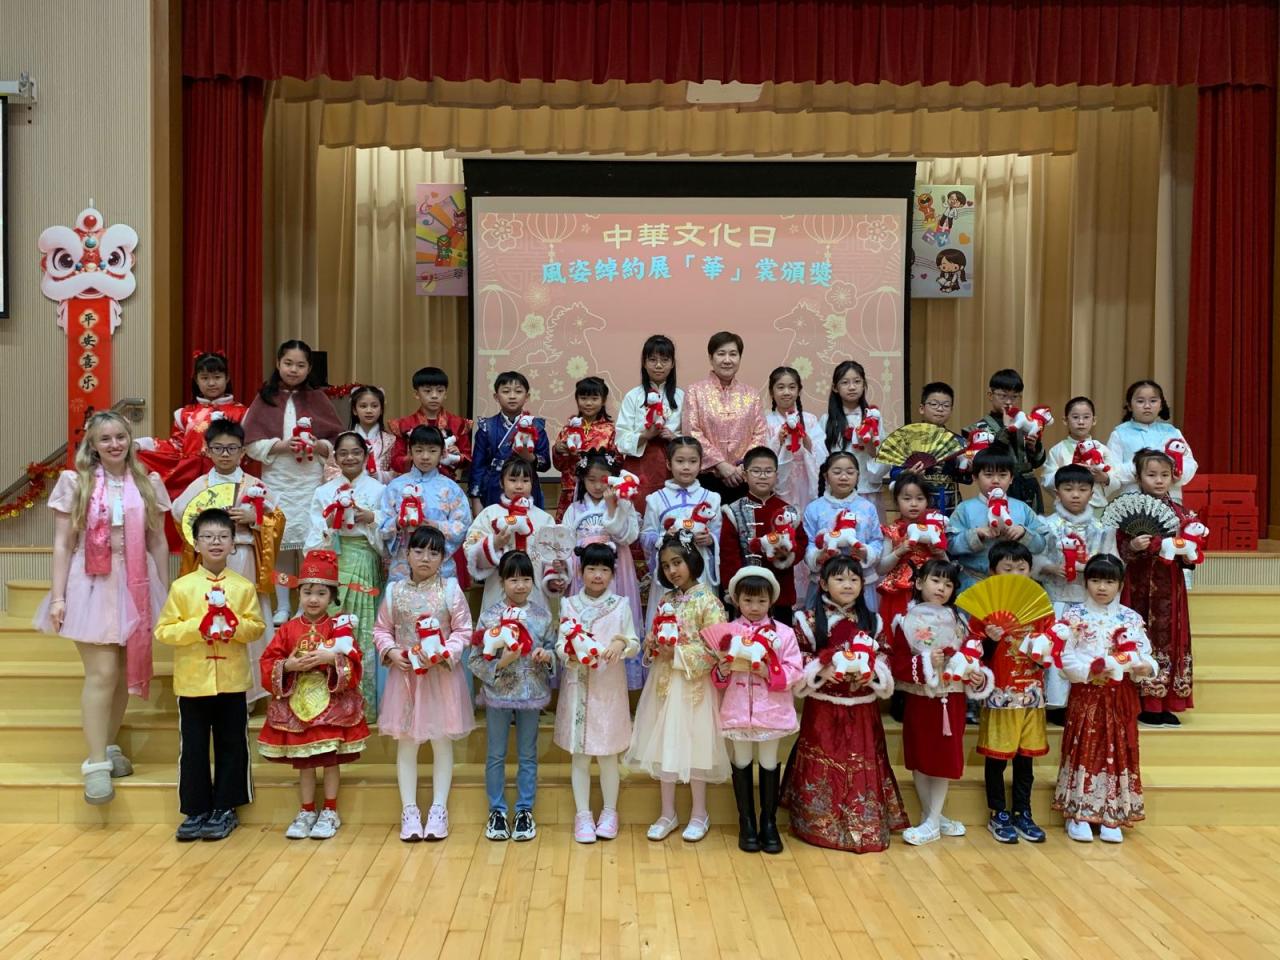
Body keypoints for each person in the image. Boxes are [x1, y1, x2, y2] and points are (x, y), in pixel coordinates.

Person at [34, 411, 170, 805]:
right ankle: (95, 765)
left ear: (130, 440)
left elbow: (158, 541)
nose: (114, 444)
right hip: (92, 581)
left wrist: (164, 590)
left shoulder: (147, 482)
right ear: (92, 445)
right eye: (105, 438)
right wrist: (58, 596)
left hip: (136, 580)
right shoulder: (75, 482)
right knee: (102, 673)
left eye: (120, 437)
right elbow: (63, 543)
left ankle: (107, 745)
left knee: (125, 673)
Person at [783, 556, 907, 853]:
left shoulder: (873, 621)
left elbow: (886, 655)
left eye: (854, 579)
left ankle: (863, 826)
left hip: (862, 707)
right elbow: (796, 655)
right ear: (824, 584)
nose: (848, 585)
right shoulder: (807, 620)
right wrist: (821, 668)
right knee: (824, 763)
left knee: (861, 764)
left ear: (863, 584)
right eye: (839, 579)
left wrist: (872, 673)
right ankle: (817, 825)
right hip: (823, 708)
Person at [155, 508, 266, 841]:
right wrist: (197, 627)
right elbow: (164, 631)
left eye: (222, 536)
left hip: (232, 680)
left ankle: (226, 807)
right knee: (193, 747)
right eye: (208, 536)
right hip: (193, 682)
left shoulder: (242, 587)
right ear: (196, 543)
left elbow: (257, 627)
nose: (215, 542)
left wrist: (234, 626)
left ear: (233, 543)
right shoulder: (182, 587)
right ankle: (195, 808)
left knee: (233, 744)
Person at [258, 549, 370, 840]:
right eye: (307, 592)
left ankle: (330, 810)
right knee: (305, 763)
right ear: (298, 593)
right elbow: (269, 660)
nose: (313, 599)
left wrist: (332, 659)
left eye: (321, 593)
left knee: (330, 760)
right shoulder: (288, 629)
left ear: (332, 597)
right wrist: (288, 666)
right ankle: (307, 810)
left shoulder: (338, 627)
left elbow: (355, 658)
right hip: (298, 705)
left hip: (331, 705)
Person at [373, 525, 475, 842]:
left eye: (433, 552)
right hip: (406, 679)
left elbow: (464, 630)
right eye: (419, 551)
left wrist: (445, 652)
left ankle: (439, 810)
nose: (425, 558)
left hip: (441, 677)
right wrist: (391, 651)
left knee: (442, 742)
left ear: (443, 558)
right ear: (407, 554)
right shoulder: (395, 592)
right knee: (407, 744)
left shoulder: (451, 590)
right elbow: (381, 630)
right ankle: (409, 811)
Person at [625, 533, 730, 842]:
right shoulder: (666, 601)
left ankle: (699, 813)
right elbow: (656, 638)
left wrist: (678, 653)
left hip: (694, 686)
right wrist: (652, 645)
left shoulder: (708, 601)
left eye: (677, 563)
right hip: (665, 683)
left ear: (691, 561)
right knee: (665, 746)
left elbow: (716, 649)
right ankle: (667, 812)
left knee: (696, 746)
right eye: (666, 565)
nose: (672, 571)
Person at [171, 418, 284, 704]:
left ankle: (249, 693)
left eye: (232, 448)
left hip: (244, 557)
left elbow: (278, 519)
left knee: (245, 615)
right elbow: (179, 514)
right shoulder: (200, 485)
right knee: (211, 612)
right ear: (207, 450)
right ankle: (210, 685)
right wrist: (204, 520)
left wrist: (254, 518)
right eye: (218, 448)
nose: (225, 454)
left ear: (242, 451)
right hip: (208, 563)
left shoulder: (254, 485)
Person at [888, 559, 993, 846]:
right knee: (920, 758)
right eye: (935, 581)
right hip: (920, 698)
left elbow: (973, 658)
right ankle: (930, 815)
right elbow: (897, 664)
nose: (941, 588)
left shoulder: (960, 621)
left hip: (951, 699)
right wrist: (925, 661)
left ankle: (933, 820)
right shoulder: (903, 620)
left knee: (943, 758)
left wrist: (975, 674)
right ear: (919, 582)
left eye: (948, 584)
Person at [1054, 554, 1156, 843]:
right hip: (1087, 692)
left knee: (1119, 749)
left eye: (1109, 582)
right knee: (1084, 747)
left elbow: (1145, 654)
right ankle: (1079, 813)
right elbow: (1064, 656)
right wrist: (1088, 672)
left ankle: (1113, 813)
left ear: (1120, 585)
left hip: (1120, 695)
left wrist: (1145, 667)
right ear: (1086, 582)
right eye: (1096, 580)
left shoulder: (1131, 618)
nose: (1102, 587)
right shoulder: (1073, 616)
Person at [701, 567, 802, 854]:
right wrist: (722, 670)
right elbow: (717, 678)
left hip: (772, 710)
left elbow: (796, 670)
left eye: (761, 601)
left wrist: (769, 672)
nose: (755, 607)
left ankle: (768, 823)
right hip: (736, 709)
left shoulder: (784, 633)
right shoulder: (727, 632)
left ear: (771, 600)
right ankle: (746, 822)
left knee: (769, 762)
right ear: (736, 600)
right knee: (742, 760)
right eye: (748, 600)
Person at [242, 339, 344, 624]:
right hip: (277, 478)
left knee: (309, 543)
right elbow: (250, 443)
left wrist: (318, 445)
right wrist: (282, 446)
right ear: (278, 363)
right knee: (281, 543)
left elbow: (336, 441)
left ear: (309, 368)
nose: (293, 370)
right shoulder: (264, 398)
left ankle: (305, 604)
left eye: (300, 365)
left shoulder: (318, 398)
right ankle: (283, 605)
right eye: (288, 363)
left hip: (310, 480)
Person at [555, 543, 641, 844]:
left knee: (608, 756)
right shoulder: (569, 605)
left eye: (604, 569)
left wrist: (621, 644)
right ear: (581, 571)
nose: (597, 575)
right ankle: (582, 814)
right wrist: (570, 654)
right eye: (592, 568)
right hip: (578, 687)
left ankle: (609, 812)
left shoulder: (621, 605)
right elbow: (560, 644)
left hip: (609, 689)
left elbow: (634, 642)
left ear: (612, 573)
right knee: (580, 757)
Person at [467, 551, 555, 843]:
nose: (520, 585)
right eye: (514, 579)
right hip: (498, 695)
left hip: (532, 693)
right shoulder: (490, 616)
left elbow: (554, 649)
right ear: (502, 581)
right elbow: (475, 659)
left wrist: (547, 656)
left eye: (526, 579)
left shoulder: (542, 616)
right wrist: (501, 663)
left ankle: (525, 810)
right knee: (496, 754)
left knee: (528, 754)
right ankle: (497, 810)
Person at [307, 431, 388, 720]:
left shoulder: (379, 490)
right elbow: (313, 538)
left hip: (365, 561)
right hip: (333, 563)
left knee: (362, 630)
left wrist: (371, 519)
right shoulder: (323, 492)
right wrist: (329, 526)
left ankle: (363, 705)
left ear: (366, 456)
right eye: (343, 453)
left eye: (356, 452)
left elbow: (389, 534)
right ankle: (329, 703)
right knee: (331, 630)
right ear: (335, 457)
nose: (350, 458)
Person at [973, 541, 1050, 844]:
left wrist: (1041, 647)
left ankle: (1023, 811)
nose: (1016, 574)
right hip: (999, 693)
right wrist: (990, 639)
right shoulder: (985, 607)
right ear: (993, 572)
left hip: (1032, 693)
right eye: (1008, 568)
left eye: (1022, 568)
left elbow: (1052, 647)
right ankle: (998, 812)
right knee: (997, 756)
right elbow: (973, 654)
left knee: (1025, 758)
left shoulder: (1040, 604)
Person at [1113, 448, 1197, 727]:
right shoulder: (1129, 509)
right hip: (1137, 584)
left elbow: (1191, 551)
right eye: (1151, 475)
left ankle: (1165, 702)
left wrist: (1188, 554)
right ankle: (1139, 701)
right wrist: (1132, 546)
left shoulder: (1181, 513)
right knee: (1138, 635)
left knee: (1170, 638)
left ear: (1173, 477)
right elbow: (1119, 549)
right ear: (1138, 477)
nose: (1159, 480)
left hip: (1170, 585)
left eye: (1164, 475)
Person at [136, 350, 249, 550]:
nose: (211, 383)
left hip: (228, 476)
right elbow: (175, 445)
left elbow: (247, 448)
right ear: (196, 380)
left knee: (225, 525)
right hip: (192, 478)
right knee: (194, 523)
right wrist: (141, 445)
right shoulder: (185, 414)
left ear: (227, 378)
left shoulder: (242, 413)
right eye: (205, 378)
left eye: (217, 377)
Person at [1034, 464, 1115, 724]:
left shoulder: (1102, 528)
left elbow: (1112, 564)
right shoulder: (1045, 525)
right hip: (1055, 598)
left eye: (1082, 489)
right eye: (1068, 489)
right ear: (1057, 492)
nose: (1076, 495)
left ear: (1092, 492)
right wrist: (1049, 567)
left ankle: (1082, 700)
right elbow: (1033, 558)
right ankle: (1055, 703)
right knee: (1056, 648)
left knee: (1084, 648)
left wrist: (1092, 569)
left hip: (1087, 600)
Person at [560, 453, 645, 688]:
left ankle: (615, 667)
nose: (598, 486)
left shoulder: (624, 503)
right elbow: (566, 546)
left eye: (603, 480)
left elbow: (628, 537)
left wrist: (613, 506)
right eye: (591, 480)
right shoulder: (573, 510)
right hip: (584, 571)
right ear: (582, 480)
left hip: (616, 568)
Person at [465, 457, 566, 614]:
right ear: (501, 482)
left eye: (525, 480)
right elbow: (470, 550)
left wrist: (554, 577)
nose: (519, 486)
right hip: (498, 590)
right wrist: (494, 544)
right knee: (498, 628)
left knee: (535, 626)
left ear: (532, 483)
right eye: (512, 480)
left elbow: (551, 558)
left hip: (535, 592)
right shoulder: (489, 514)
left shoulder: (544, 519)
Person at [719, 446, 807, 625]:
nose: (762, 476)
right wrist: (733, 589)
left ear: (776, 475)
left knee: (781, 637)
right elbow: (728, 555)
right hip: (747, 593)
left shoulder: (789, 511)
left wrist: (786, 556)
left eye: (768, 471)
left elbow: (801, 543)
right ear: (745, 475)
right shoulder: (733, 510)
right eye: (756, 471)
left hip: (781, 590)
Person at [639, 437, 722, 628]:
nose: (686, 467)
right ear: (669, 464)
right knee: (667, 621)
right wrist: (664, 538)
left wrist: (710, 540)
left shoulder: (712, 498)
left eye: (692, 461)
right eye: (680, 461)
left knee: (701, 620)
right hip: (670, 570)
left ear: (701, 464)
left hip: (700, 570)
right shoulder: (655, 499)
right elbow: (646, 535)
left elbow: (718, 534)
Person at [946, 445, 1049, 590]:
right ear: (975, 477)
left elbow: (1040, 545)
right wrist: (977, 534)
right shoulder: (965, 508)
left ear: (1011, 478)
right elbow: (950, 545)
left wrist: (1023, 533)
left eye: (1002, 475)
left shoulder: (1022, 508)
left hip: (1015, 584)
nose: (995, 480)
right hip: (974, 582)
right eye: (988, 475)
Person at [681, 331, 768, 504]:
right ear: (711, 358)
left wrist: (741, 467)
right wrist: (720, 464)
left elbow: (760, 434)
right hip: (706, 479)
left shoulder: (752, 395)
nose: (727, 360)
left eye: (733, 354)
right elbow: (692, 433)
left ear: (740, 358)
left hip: (743, 479)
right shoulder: (695, 392)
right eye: (721, 354)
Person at [381, 425, 470, 584]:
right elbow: (382, 524)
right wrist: (397, 523)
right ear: (410, 452)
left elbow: (463, 525)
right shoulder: (395, 487)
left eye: (432, 451)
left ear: (442, 453)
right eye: (419, 450)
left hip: (440, 565)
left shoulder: (451, 489)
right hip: (403, 565)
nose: (425, 456)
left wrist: (436, 526)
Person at [802, 452, 884, 609]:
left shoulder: (868, 507)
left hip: (860, 579)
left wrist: (866, 552)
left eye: (850, 472)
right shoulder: (814, 508)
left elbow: (877, 540)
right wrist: (818, 555)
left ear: (858, 476)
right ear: (826, 476)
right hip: (825, 580)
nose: (844, 477)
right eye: (837, 472)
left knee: (860, 623)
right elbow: (809, 542)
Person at [615, 334, 683, 514]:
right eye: (652, 360)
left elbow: (692, 438)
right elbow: (620, 439)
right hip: (638, 467)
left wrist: (674, 437)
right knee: (638, 513)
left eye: (664, 360)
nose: (658, 365)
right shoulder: (633, 396)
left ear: (672, 364)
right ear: (644, 363)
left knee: (671, 514)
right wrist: (645, 435)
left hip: (673, 466)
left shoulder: (682, 397)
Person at [876, 473, 949, 639]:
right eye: (907, 499)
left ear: (927, 501)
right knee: (900, 636)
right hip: (899, 593)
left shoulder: (935, 530)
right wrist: (899, 551)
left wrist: (940, 552)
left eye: (920, 498)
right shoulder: (892, 531)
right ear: (896, 501)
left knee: (929, 637)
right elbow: (881, 568)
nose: (914, 504)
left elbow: (948, 567)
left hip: (930, 591)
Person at [965, 368, 1046, 513]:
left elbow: (1037, 462)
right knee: (1000, 519)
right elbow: (984, 460)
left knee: (1031, 523)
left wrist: (1034, 447)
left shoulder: (1025, 422)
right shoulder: (978, 428)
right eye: (1003, 396)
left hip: (1027, 484)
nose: (1009, 402)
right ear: (990, 395)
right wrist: (1007, 430)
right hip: (998, 485)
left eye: (1014, 397)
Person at [470, 371, 551, 513]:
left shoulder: (536, 426)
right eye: (506, 391)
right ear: (496, 397)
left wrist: (529, 456)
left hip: (526, 485)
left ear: (527, 397)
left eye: (518, 391)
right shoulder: (487, 427)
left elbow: (545, 464)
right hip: (494, 487)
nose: (512, 396)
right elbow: (478, 467)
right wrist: (476, 500)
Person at [1106, 380, 1199, 502]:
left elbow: (1190, 462)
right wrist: (1142, 467)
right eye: (1140, 401)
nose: (1147, 406)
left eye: (1153, 401)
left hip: (1170, 497)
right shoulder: (1119, 433)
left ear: (1161, 405)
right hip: (1133, 498)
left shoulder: (1172, 432)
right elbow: (1111, 469)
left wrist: (1176, 473)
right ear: (1129, 406)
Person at [818, 360, 889, 517]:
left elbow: (883, 458)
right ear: (835, 387)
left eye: (857, 381)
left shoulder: (873, 419)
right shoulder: (827, 420)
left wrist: (869, 445)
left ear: (864, 385)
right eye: (845, 382)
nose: (852, 387)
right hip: (836, 492)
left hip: (865, 489)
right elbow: (821, 458)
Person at [890, 381, 968, 515]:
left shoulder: (958, 441)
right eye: (934, 404)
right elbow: (894, 472)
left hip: (949, 503)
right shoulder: (906, 439)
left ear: (951, 410)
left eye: (946, 405)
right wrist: (908, 473)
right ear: (922, 408)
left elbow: (967, 479)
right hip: (917, 502)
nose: (940, 409)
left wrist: (967, 466)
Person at [389, 365, 472, 481]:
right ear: (416, 394)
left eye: (440, 391)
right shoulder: (404, 425)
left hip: (445, 483)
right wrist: (413, 455)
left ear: (446, 394)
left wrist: (457, 456)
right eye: (427, 391)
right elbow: (395, 462)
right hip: (413, 483)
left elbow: (468, 459)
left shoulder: (458, 424)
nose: (434, 396)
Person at [1040, 396, 1121, 513]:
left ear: (1094, 420)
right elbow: (1046, 481)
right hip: (1066, 509)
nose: (1081, 422)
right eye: (1075, 417)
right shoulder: (1057, 450)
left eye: (1086, 417)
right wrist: (1068, 472)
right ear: (1065, 420)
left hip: (1096, 507)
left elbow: (1117, 479)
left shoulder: (1101, 449)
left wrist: (1104, 478)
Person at [551, 376, 617, 519]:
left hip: (599, 491)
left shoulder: (609, 430)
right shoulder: (567, 430)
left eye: (594, 398)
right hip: (570, 491)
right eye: (583, 398)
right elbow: (558, 465)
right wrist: (558, 450)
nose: (588, 403)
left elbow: (617, 463)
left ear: (603, 400)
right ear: (577, 399)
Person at [325, 384, 396, 484]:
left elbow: (398, 472)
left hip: (381, 489)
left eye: (374, 406)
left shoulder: (391, 440)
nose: (369, 410)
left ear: (381, 410)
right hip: (347, 490)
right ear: (354, 410)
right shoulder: (343, 439)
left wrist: (379, 476)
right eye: (363, 406)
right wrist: (352, 477)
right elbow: (330, 470)